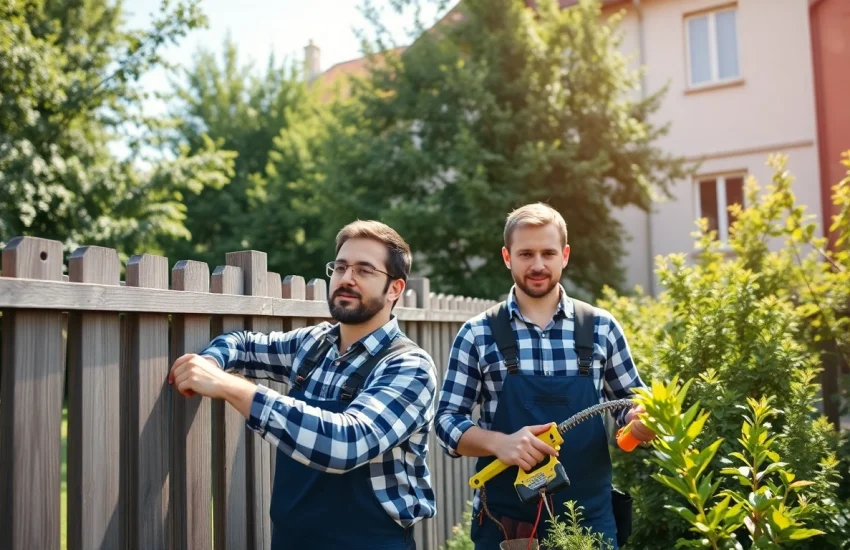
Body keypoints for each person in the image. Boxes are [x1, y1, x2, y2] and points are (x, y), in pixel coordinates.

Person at [168, 220, 437, 550]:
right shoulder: (312, 345)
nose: (346, 279)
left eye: (364, 270)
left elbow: (346, 443)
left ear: (395, 288)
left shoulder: (409, 366)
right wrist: (211, 363)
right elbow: (241, 343)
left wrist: (231, 387)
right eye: (340, 268)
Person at [435, 203, 656, 549]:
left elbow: (630, 402)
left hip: (590, 524)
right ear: (507, 257)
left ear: (565, 255)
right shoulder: (477, 334)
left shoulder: (601, 327)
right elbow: (446, 423)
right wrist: (501, 444)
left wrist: (640, 421)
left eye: (548, 253)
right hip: (507, 527)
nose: (537, 265)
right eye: (526, 254)